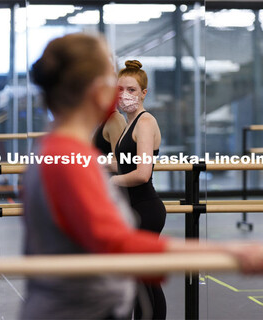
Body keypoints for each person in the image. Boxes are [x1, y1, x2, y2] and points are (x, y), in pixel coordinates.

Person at [22, 33, 263, 320]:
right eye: (112, 83)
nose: (119, 94)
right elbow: (117, 243)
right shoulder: (68, 159)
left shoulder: (58, 150)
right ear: (97, 91)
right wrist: (226, 251)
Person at [110, 60, 167, 319]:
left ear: (144, 93)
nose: (125, 96)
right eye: (120, 90)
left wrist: (111, 182)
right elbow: (123, 164)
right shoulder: (127, 123)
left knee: (145, 282)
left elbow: (143, 173)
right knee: (136, 281)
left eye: (132, 90)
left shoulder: (144, 122)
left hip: (145, 209)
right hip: (132, 208)